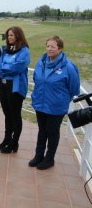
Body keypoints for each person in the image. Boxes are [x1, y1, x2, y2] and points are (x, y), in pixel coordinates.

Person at [29, 36, 80, 170]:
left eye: (53, 46)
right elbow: (36, 79)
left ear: (60, 48)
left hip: (56, 107)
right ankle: (38, 156)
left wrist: (60, 98)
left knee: (52, 132)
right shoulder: (41, 62)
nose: (49, 49)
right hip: (40, 104)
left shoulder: (68, 67)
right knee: (42, 131)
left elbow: (74, 88)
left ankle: (49, 158)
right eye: (48, 46)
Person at [0, 27, 30, 153]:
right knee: (7, 114)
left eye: (12, 35)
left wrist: (4, 69)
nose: (9, 37)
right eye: (8, 35)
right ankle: (6, 139)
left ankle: (14, 143)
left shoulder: (24, 51)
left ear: (18, 36)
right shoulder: (5, 50)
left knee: (15, 116)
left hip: (15, 87)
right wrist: (5, 68)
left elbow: (17, 68)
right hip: (4, 85)